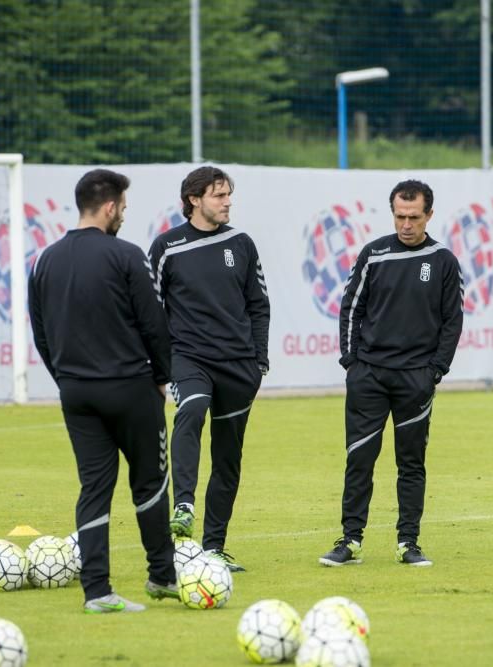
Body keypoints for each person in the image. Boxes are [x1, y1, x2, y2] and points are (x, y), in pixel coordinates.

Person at [28, 169, 178, 613]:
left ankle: (97, 592)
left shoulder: (45, 260)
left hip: (76, 392)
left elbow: (41, 333)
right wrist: (162, 378)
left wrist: (66, 379)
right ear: (110, 206)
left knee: (94, 486)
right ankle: (162, 577)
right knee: (151, 482)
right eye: (124, 209)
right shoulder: (127, 255)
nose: (124, 216)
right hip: (130, 388)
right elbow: (155, 324)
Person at [319, 179, 464, 568]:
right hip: (369, 376)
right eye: (400, 216)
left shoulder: (444, 261)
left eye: (414, 217)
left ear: (429, 215)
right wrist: (351, 363)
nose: (406, 224)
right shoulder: (373, 254)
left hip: (416, 379)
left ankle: (408, 543)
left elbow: (453, 321)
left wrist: (435, 371)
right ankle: (350, 541)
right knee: (359, 460)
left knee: (411, 463)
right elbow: (351, 307)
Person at [148, 165, 270, 573]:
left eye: (228, 194)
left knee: (228, 459)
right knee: (193, 408)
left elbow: (258, 304)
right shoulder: (167, 246)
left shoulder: (242, 242)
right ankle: (183, 503)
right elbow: (151, 309)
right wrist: (157, 364)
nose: (227, 202)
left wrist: (259, 360)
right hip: (188, 358)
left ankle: (214, 547)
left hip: (239, 365)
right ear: (194, 200)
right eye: (219, 195)